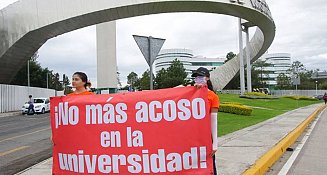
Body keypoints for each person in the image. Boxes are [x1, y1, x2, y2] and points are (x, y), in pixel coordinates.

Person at [192, 67, 219, 175]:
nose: (198, 79)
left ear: (207, 78)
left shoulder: (213, 96)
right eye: (196, 77)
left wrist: (215, 142)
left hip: (206, 136)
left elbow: (213, 120)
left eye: (200, 76)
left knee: (209, 164)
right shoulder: (189, 94)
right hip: (192, 135)